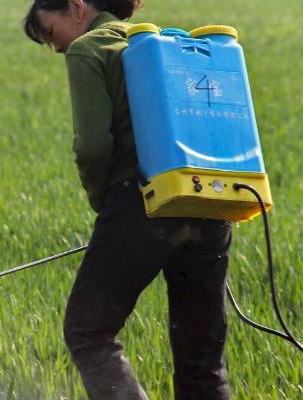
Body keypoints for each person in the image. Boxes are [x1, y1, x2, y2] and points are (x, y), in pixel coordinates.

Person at [23, 1, 232, 399]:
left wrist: (104, 202)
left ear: (76, 7)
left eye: (51, 34)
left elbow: (93, 148)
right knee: (201, 357)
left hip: (142, 205)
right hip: (210, 205)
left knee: (88, 331)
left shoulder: (90, 48)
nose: (57, 49)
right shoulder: (166, 44)